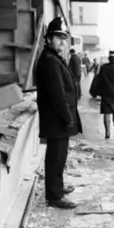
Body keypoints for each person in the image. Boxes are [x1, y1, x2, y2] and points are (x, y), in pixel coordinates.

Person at [35, 17, 82, 209]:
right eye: (58, 37)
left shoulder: (53, 59)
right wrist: (67, 118)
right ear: (48, 39)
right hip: (58, 120)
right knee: (55, 158)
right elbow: (57, 94)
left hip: (58, 119)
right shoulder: (50, 61)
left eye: (64, 38)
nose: (62, 41)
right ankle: (54, 196)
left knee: (59, 156)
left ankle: (58, 187)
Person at [90, 50, 114, 139]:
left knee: (106, 113)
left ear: (109, 58)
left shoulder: (103, 68)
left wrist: (97, 92)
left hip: (106, 94)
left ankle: (107, 133)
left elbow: (99, 80)